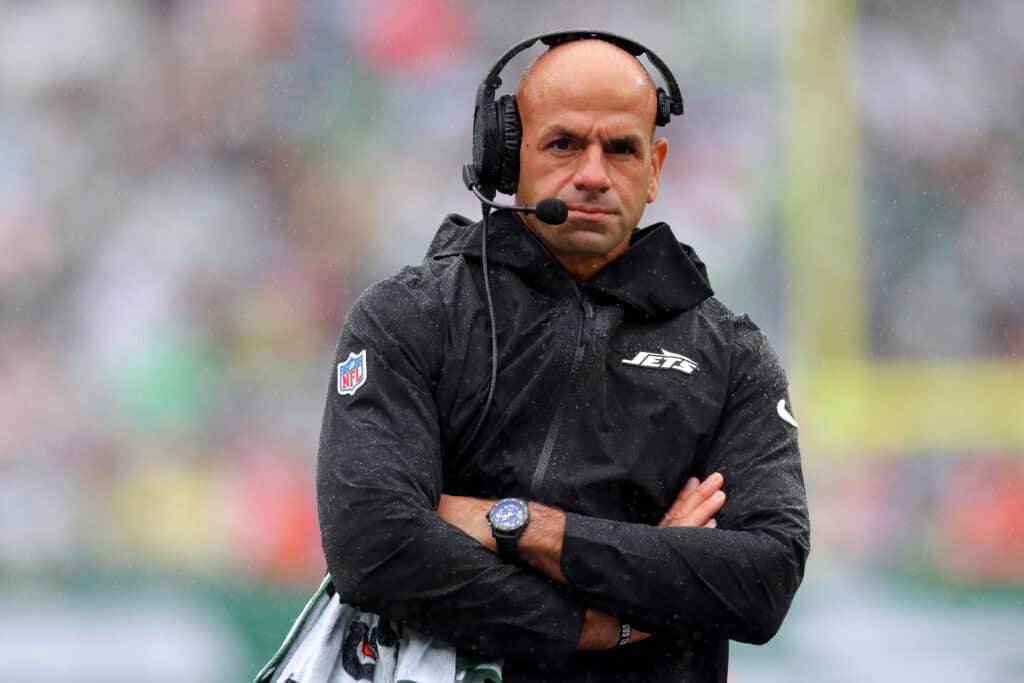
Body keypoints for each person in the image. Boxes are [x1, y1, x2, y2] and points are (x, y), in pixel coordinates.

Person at [317, 31, 809, 683]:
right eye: (565, 144)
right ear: (508, 157)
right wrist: (598, 622)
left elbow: (762, 576)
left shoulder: (731, 356)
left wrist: (521, 526)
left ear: (656, 167)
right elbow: (374, 544)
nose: (593, 175)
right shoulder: (412, 317)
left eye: (622, 149)